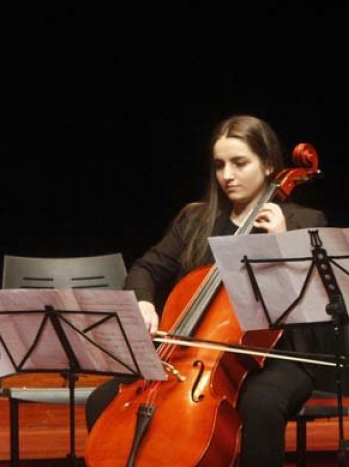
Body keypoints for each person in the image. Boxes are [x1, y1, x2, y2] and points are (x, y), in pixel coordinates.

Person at [84, 114, 332, 466]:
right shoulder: (196, 220)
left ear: (267, 165)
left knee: (261, 405)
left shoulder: (305, 221)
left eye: (239, 163)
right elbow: (145, 269)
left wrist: (282, 245)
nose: (227, 175)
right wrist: (143, 303)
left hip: (279, 357)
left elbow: (319, 299)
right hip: (194, 357)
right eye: (219, 165)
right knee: (103, 400)